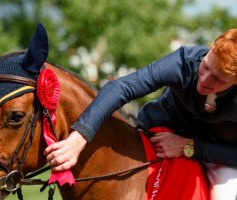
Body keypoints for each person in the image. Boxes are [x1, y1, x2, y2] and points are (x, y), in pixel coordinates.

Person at [44, 29, 237, 199]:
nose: (203, 79)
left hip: (216, 155)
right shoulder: (185, 61)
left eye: (218, 79)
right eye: (205, 66)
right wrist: (78, 137)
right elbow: (122, 87)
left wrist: (189, 147)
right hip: (155, 129)